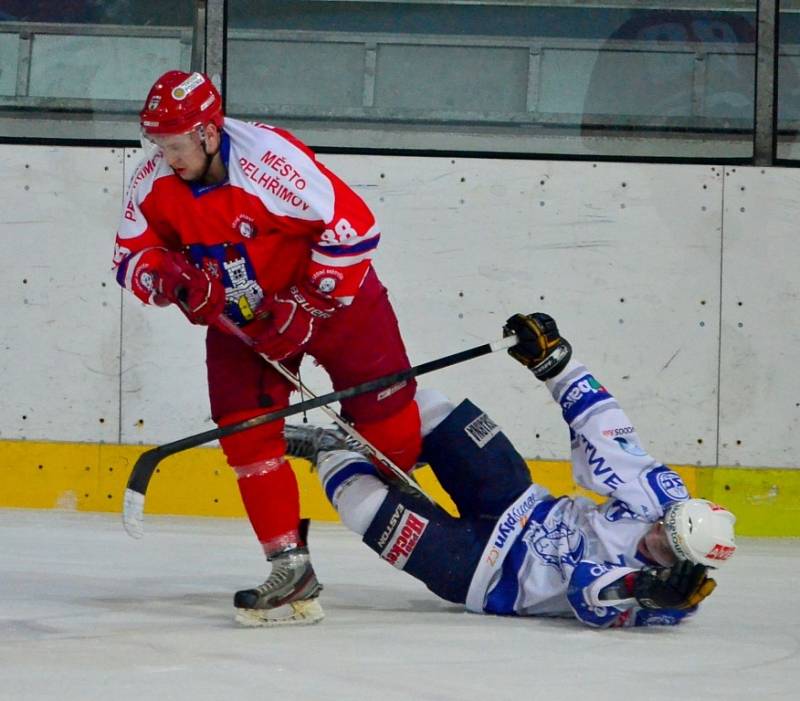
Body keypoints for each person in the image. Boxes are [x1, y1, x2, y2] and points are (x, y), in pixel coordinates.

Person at [112, 70, 423, 626]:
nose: (165, 155)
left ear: (208, 133)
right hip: (243, 325)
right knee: (243, 429)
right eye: (157, 143)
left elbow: (355, 229)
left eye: (175, 144)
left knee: (391, 440)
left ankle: (330, 447)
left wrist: (307, 306)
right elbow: (129, 259)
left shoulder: (270, 162)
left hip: (337, 305)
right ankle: (290, 567)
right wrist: (172, 280)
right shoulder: (153, 181)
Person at [297, 312, 736, 628]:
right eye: (666, 524)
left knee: (364, 505)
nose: (656, 531)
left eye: (665, 544)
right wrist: (558, 366)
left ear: (682, 563)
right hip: (517, 499)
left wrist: (642, 589)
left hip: (481, 574)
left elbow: (588, 595)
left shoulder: (672, 598)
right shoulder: (663, 499)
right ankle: (386, 447)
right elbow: (606, 429)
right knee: (431, 409)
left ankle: (328, 451)